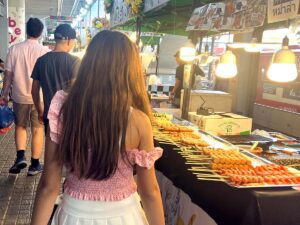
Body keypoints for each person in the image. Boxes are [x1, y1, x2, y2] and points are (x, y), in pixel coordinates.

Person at [31, 30, 165, 225]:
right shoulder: (139, 121)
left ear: (88, 63)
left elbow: (48, 187)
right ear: (131, 68)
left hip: (73, 214)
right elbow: (149, 191)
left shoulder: (64, 110)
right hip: (125, 215)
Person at [0, 18, 49, 175]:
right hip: (39, 98)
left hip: (19, 96)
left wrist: (4, 94)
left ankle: (20, 157)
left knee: (20, 127)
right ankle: (35, 164)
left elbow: (8, 75)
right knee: (38, 129)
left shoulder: (14, 49)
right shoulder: (45, 51)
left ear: (27, 30)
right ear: (40, 33)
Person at [31, 24, 80, 134]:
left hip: (49, 115)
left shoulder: (41, 61)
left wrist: (40, 111)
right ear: (68, 40)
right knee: (67, 150)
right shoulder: (75, 61)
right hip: (70, 116)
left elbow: (34, 91)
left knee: (51, 148)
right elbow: (79, 91)